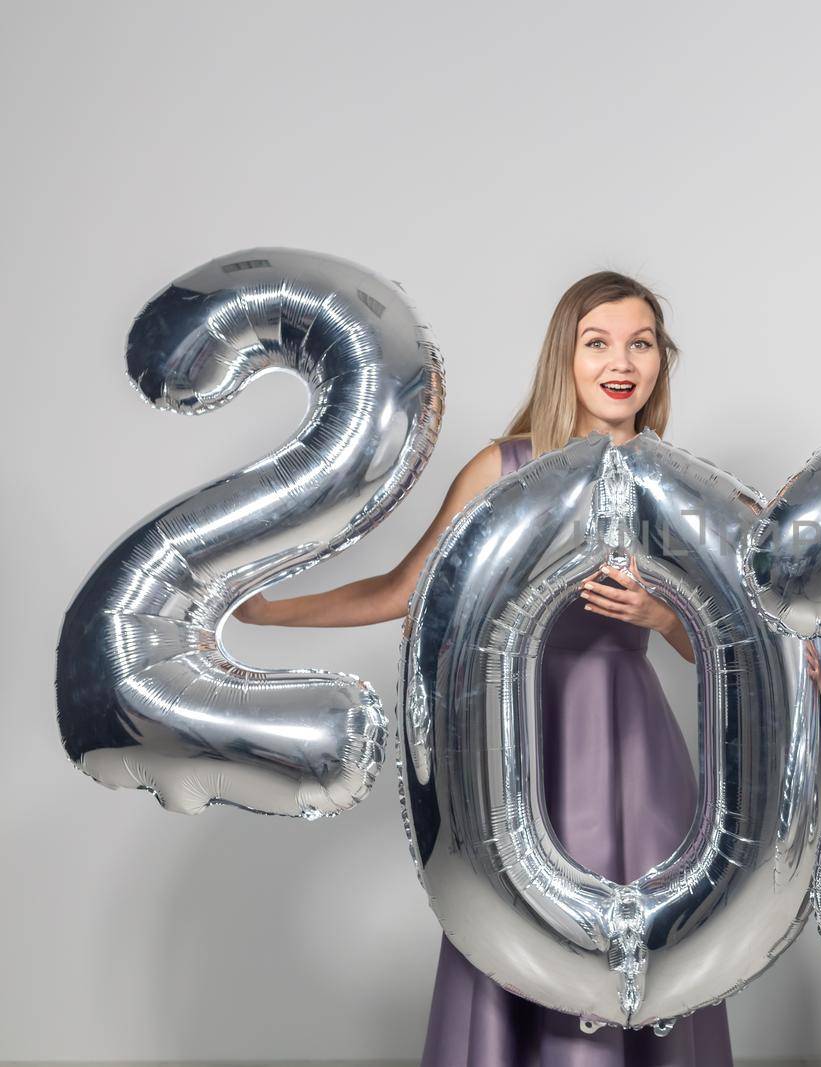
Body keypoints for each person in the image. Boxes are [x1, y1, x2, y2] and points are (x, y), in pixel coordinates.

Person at [234, 271, 733, 1067]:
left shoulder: (676, 481)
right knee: (520, 935)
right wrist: (267, 610)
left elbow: (713, 639)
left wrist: (659, 613)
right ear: (563, 359)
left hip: (635, 748)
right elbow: (404, 591)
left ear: (660, 362)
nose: (621, 362)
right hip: (519, 752)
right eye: (597, 342)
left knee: (640, 951)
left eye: (640, 343)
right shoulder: (503, 468)